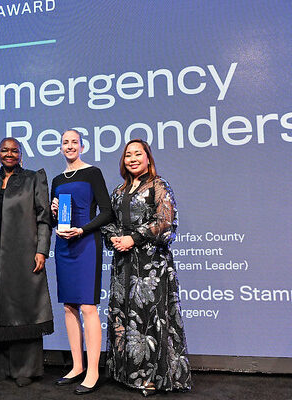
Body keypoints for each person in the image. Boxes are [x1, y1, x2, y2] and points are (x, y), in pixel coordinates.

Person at [101, 139, 191, 396]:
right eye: (128, 155)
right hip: (123, 263)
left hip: (151, 266)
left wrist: (135, 237)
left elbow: (165, 222)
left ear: (148, 158)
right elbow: (110, 221)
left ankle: (153, 378)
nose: (132, 159)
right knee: (124, 315)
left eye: (137, 154)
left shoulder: (159, 185)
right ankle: (126, 374)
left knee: (150, 318)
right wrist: (114, 238)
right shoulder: (119, 190)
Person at [0, 138, 54, 387]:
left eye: (14, 150)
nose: (9, 154)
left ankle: (25, 369)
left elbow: (45, 217)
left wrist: (42, 250)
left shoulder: (34, 178)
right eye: (4, 150)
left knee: (24, 309)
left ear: (21, 155)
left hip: (24, 254)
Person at [50, 129, 112, 395]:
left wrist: (83, 230)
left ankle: (93, 371)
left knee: (88, 306)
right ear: (61, 147)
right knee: (69, 307)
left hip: (86, 244)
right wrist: (54, 213)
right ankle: (76, 367)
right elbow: (56, 220)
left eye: (74, 142)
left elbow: (107, 212)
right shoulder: (56, 179)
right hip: (63, 245)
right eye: (65, 142)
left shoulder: (93, 173)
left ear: (82, 146)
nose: (70, 146)